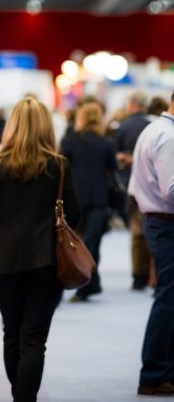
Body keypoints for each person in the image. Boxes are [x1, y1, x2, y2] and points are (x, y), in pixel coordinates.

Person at [0, 97, 80, 402]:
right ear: (47, 127)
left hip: (2, 263)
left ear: (12, 127)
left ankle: (19, 395)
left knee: (12, 333)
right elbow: (75, 213)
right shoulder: (58, 165)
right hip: (46, 263)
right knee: (33, 340)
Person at [128, 92, 174, 396]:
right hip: (167, 223)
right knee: (168, 299)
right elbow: (172, 191)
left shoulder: (154, 129)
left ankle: (160, 370)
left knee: (168, 297)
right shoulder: (168, 136)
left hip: (158, 221)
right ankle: (154, 373)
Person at [61, 101, 118, 301]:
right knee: (92, 244)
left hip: (74, 199)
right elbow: (113, 168)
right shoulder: (107, 143)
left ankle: (86, 285)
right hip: (100, 200)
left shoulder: (70, 140)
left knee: (74, 244)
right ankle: (89, 285)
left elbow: (61, 166)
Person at [115, 90, 151, 290]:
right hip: (150, 184)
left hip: (131, 183)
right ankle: (151, 274)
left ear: (131, 104)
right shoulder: (150, 126)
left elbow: (115, 155)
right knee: (148, 230)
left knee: (137, 232)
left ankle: (139, 275)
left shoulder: (123, 126)